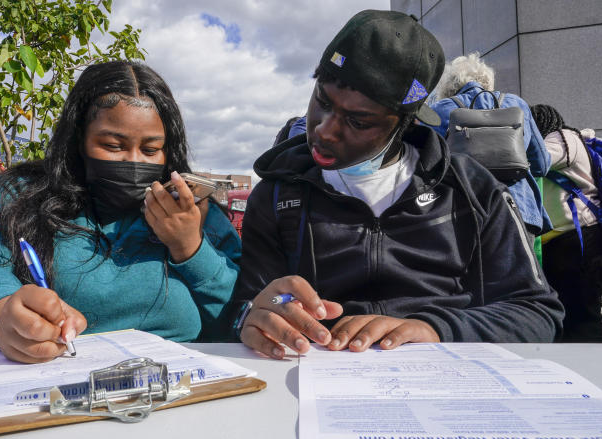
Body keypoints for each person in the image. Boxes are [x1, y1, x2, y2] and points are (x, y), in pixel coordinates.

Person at [233, 10, 564, 359]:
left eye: (358, 121)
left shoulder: (472, 190)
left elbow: (537, 311)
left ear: (404, 123)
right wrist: (262, 311)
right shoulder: (276, 196)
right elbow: (248, 305)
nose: (325, 130)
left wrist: (436, 329)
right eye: (322, 102)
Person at [0, 61, 241, 363]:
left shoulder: (197, 211)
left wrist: (190, 248)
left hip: (182, 387)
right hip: (56, 382)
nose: (133, 161)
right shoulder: (22, 194)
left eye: (150, 150)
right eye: (112, 145)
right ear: (79, 139)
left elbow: (236, 313)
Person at [429, 53, 552, 247]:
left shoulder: (441, 109)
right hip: (518, 208)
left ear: (449, 86)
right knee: (520, 275)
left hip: (462, 210)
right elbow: (542, 165)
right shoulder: (516, 104)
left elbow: (426, 163)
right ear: (487, 80)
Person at [531, 104, 602, 343]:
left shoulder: (562, 139)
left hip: (582, 239)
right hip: (569, 240)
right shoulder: (568, 139)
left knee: (583, 317)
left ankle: (597, 372)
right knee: (569, 315)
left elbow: (537, 160)